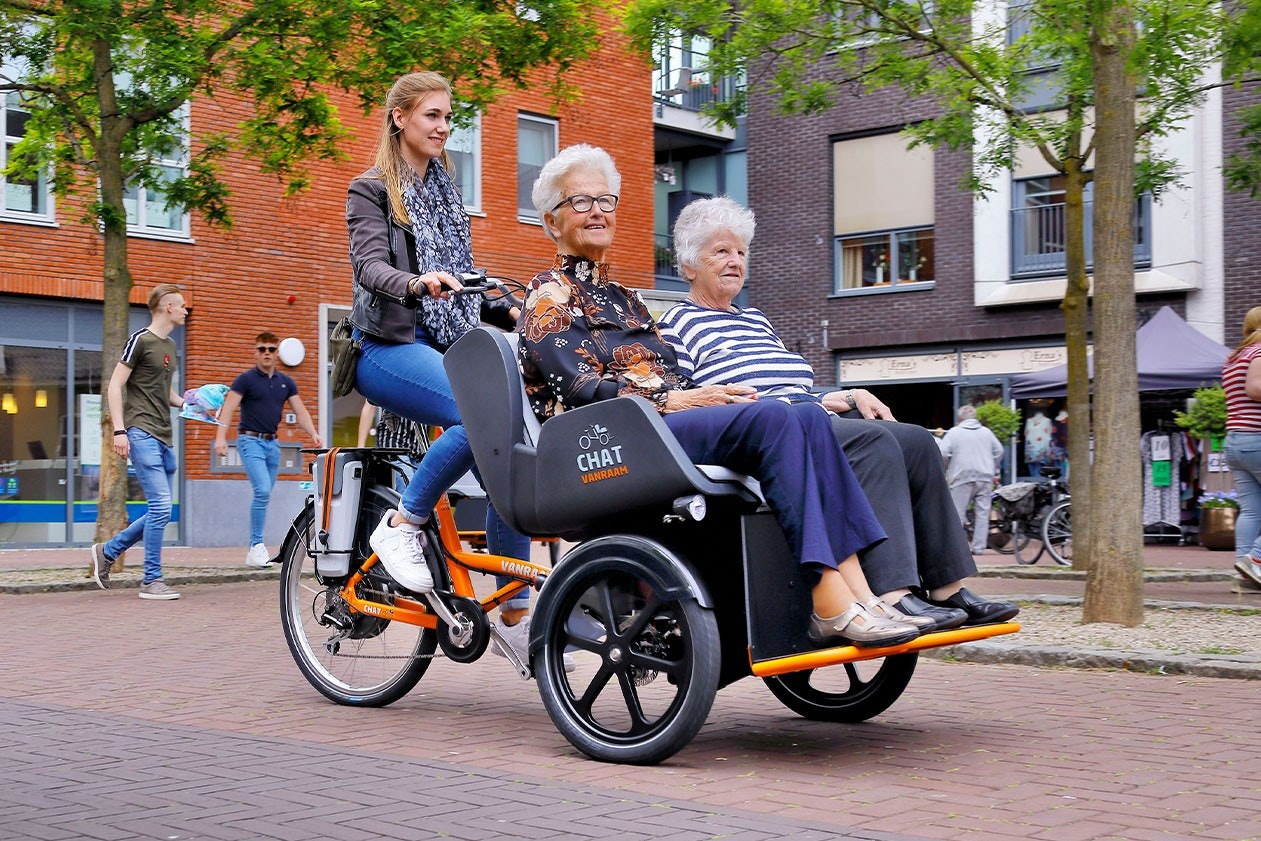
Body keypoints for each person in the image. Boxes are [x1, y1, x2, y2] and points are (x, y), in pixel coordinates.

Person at [516, 144, 923, 647]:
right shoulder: (546, 294)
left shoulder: (629, 298)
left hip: (658, 425)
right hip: (611, 437)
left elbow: (670, 373)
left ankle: (858, 592)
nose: (598, 210)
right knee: (773, 418)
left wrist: (701, 395)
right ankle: (826, 594)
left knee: (808, 418)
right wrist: (676, 402)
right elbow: (578, 389)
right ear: (552, 223)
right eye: (580, 202)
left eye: (606, 199)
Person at [657, 196, 1017, 626]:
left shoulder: (755, 320)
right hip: (768, 433)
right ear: (689, 264)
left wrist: (846, 393)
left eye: (741, 252)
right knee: (875, 443)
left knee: (918, 441)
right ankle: (893, 591)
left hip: (810, 415)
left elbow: (794, 388)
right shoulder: (675, 324)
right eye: (721, 252)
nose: (735, 261)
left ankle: (947, 586)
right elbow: (690, 398)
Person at [345, 71, 542, 666]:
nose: (444, 127)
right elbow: (370, 268)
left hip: (450, 343)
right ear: (400, 117)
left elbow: (465, 281)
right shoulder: (371, 189)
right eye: (433, 115)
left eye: (449, 118)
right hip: (386, 347)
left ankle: (514, 598)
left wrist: (509, 307)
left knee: (515, 425)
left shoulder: (446, 192)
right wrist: (415, 283)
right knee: (475, 416)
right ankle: (401, 525)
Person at [89, 283, 189, 600]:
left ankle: (108, 551)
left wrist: (191, 403)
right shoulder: (139, 340)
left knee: (159, 510)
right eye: (182, 305)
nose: (186, 310)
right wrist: (120, 430)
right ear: (168, 307)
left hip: (163, 434)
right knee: (160, 506)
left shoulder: (171, 346)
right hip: (140, 431)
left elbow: (167, 393)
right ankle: (151, 580)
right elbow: (115, 386)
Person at [214, 331, 322, 567]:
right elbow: (228, 408)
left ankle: (255, 548)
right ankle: (255, 546)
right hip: (249, 441)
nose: (266, 354)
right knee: (262, 490)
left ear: (277, 354)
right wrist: (220, 438)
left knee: (264, 494)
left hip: (273, 444)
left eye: (271, 350)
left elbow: (300, 410)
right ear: (256, 352)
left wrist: (313, 433)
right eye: (261, 349)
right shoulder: (246, 380)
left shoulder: (286, 382)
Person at [1224, 306, 1261, 590]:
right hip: (1257, 437)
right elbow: (1255, 389)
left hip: (1236, 440)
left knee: (1252, 510)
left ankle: (1244, 571)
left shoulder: (1234, 357)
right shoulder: (1259, 352)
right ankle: (1256, 560)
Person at [940, 405, 1005, 556]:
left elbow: (943, 452)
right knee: (983, 513)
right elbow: (999, 451)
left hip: (961, 476)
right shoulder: (986, 432)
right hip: (985, 476)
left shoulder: (954, 432)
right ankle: (978, 547)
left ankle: (957, 548)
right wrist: (991, 466)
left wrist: (946, 469)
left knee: (958, 512)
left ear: (960, 418)